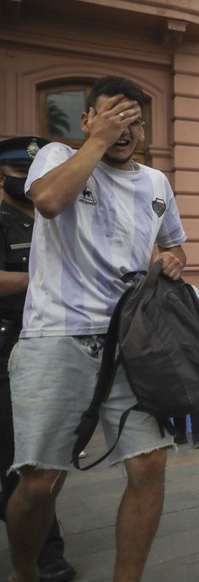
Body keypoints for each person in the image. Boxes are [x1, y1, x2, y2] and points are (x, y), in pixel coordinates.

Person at [5, 76, 187, 582]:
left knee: (149, 467)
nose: (123, 128)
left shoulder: (156, 184)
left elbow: (174, 244)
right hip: (55, 338)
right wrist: (97, 142)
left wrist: (171, 260)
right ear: (87, 120)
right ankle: (25, 573)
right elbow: (47, 201)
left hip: (132, 343)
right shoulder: (57, 157)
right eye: (111, 115)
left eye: (132, 119)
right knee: (40, 482)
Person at [0, 136, 76, 582]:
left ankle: (47, 552)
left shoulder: (56, 218)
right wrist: (40, 278)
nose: (25, 183)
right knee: (18, 456)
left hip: (47, 344)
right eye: (17, 175)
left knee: (34, 457)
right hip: (5, 345)